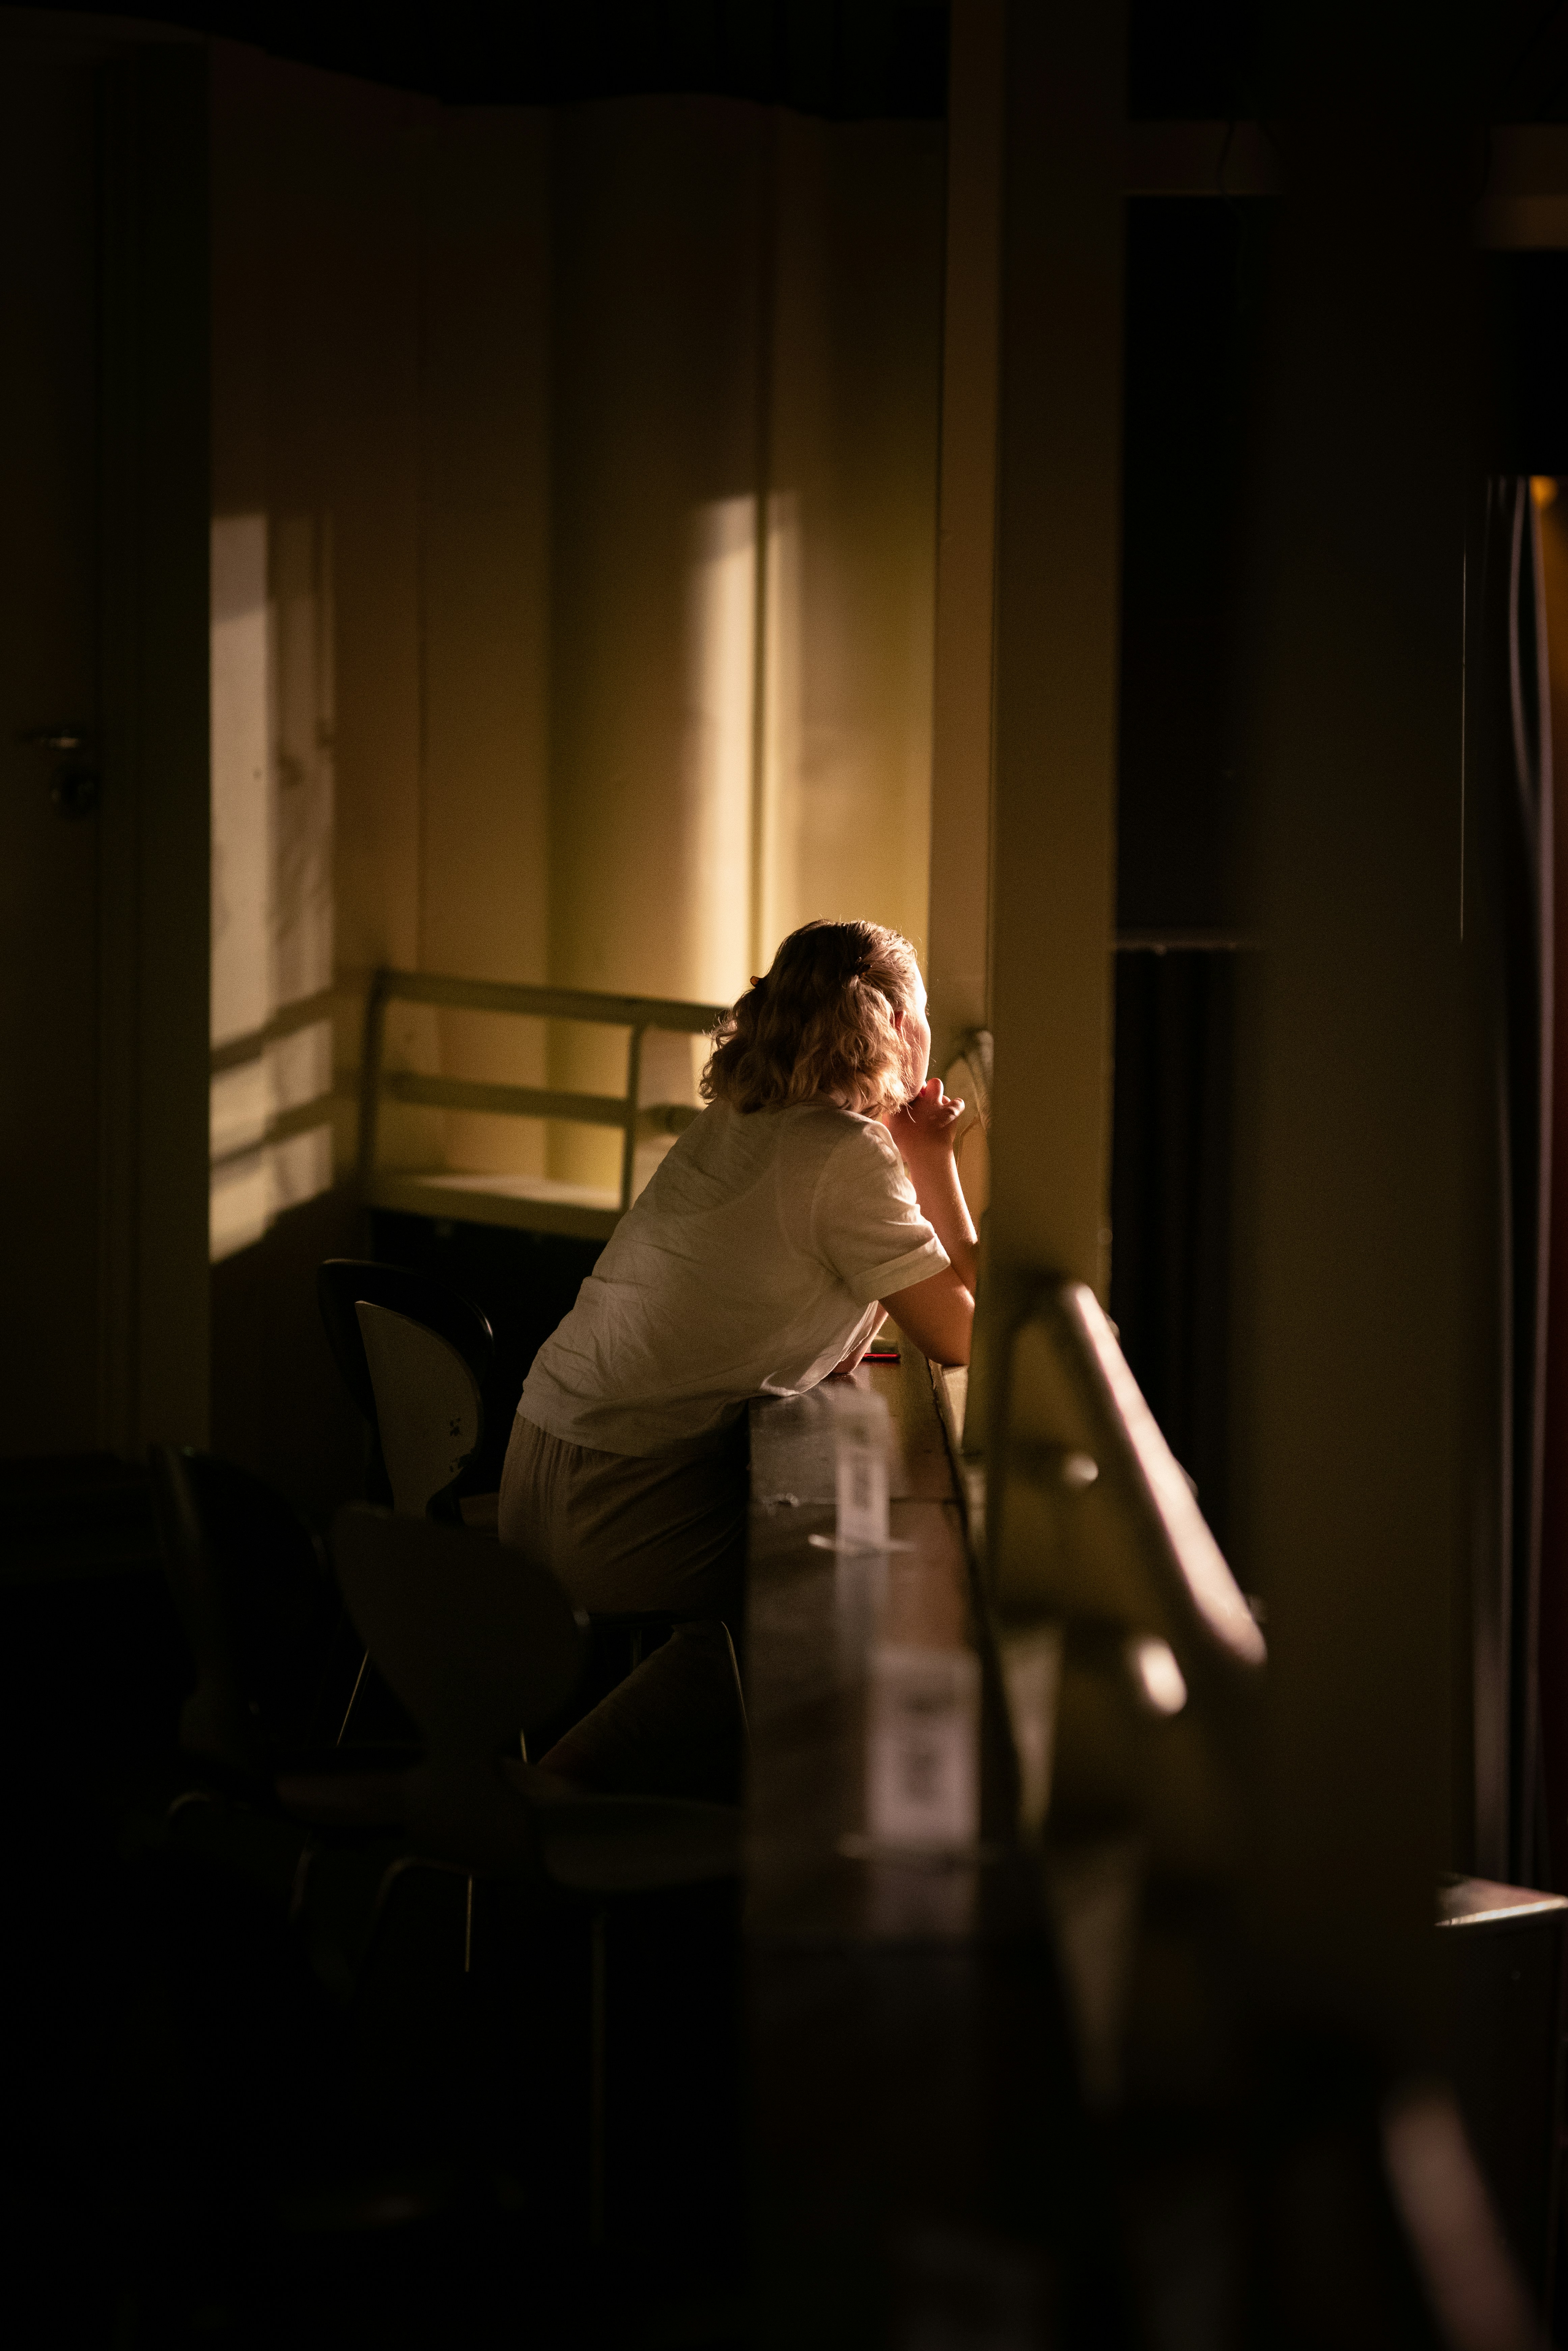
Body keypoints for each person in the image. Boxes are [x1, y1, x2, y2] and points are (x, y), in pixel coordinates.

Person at [498, 918, 977, 1638]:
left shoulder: (741, 1118)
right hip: (612, 1506)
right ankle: (588, 1753)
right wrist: (932, 1154)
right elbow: (961, 1334)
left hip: (535, 1470)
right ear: (904, 1024)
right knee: (841, 1597)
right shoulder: (844, 1153)